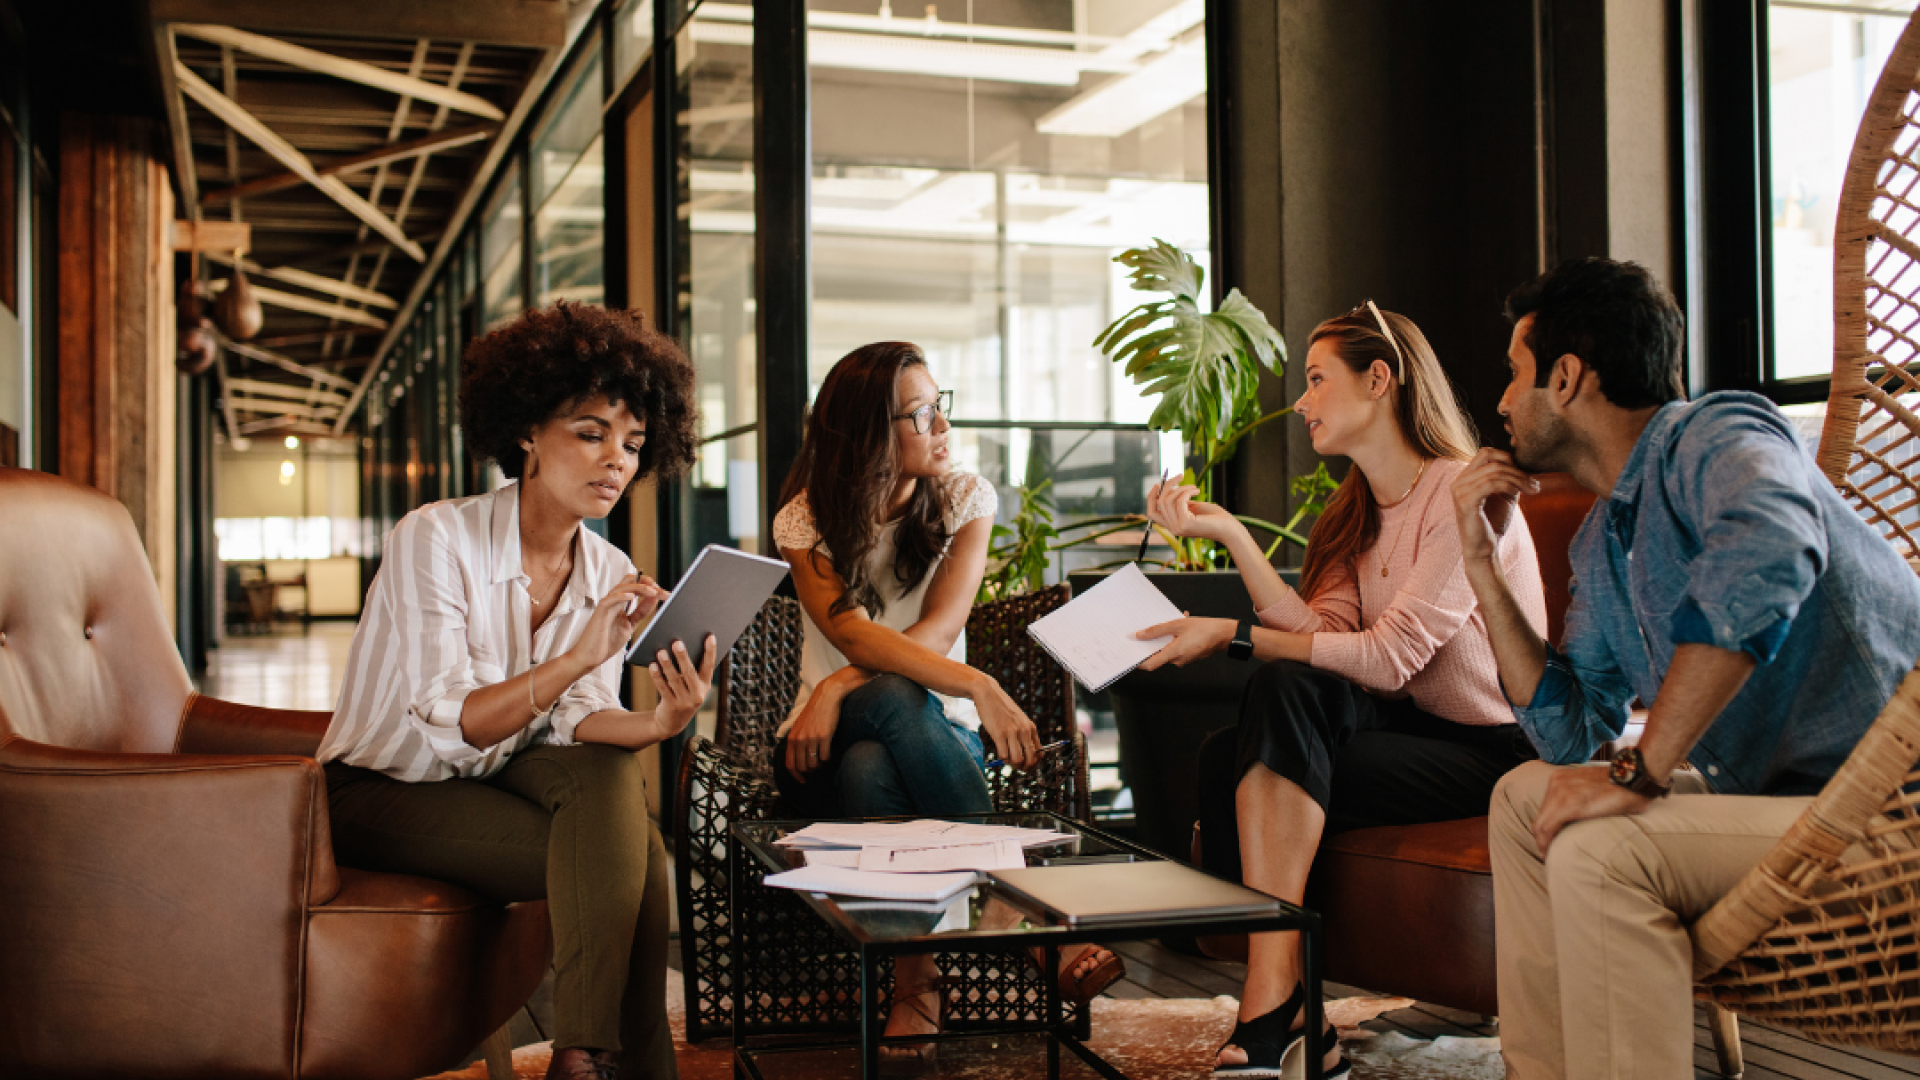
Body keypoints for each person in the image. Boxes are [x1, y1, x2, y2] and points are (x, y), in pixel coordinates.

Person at [1449, 257, 1920, 1079]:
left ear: (1566, 379)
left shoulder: (1717, 432)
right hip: (1792, 808)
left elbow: (1772, 546)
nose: (1499, 403)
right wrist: (1482, 566)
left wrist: (1644, 770)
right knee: (1523, 800)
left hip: (1893, 816)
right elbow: (1569, 738)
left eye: (1513, 375)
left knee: (1606, 852)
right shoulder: (1604, 541)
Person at [1136, 303, 1547, 1079]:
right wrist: (1230, 535)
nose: (1302, 401)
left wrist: (1232, 635)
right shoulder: (1352, 509)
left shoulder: (1461, 494)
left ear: (1380, 379)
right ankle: (1289, 1003)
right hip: (1414, 736)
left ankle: (1273, 999)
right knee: (1243, 742)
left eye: (1318, 380)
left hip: (1495, 752)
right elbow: (1322, 634)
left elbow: (1390, 660)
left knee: (1265, 716)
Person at [316, 302, 710, 1080]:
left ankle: (581, 1053)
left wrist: (660, 722)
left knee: (610, 782)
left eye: (632, 444)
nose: (616, 462)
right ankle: (620, 1063)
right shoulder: (435, 537)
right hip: (382, 789)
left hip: (504, 771)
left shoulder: (605, 568)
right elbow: (451, 723)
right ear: (528, 430)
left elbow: (580, 721)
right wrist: (575, 657)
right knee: (633, 862)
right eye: (591, 433)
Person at [771, 340, 1124, 1068]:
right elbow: (849, 633)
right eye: (921, 413)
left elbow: (936, 631)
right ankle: (1025, 915)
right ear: (870, 433)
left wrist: (841, 680)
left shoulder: (965, 499)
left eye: (941, 405)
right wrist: (977, 684)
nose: (942, 427)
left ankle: (916, 984)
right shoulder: (803, 520)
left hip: (924, 734)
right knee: (875, 727)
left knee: (876, 766)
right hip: (817, 744)